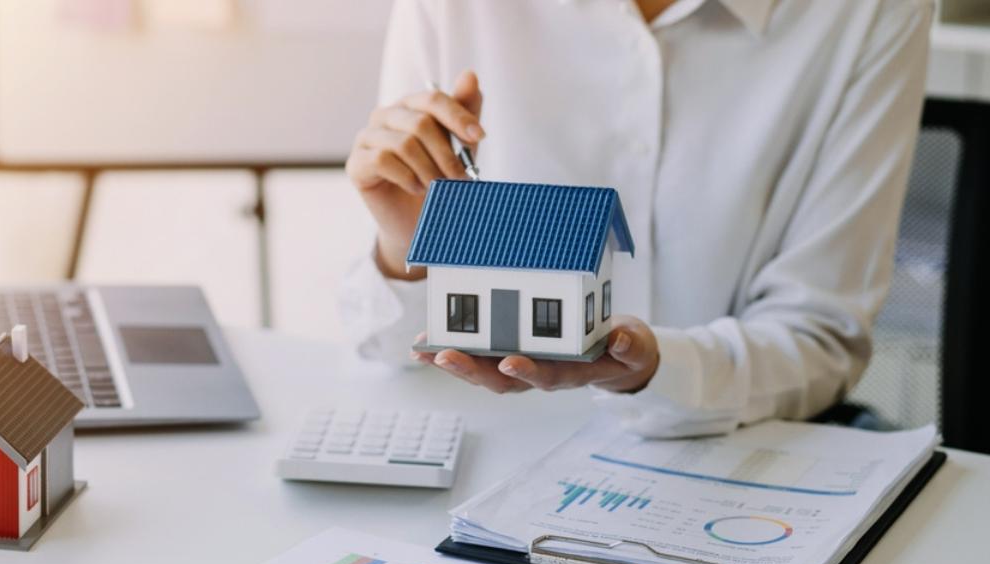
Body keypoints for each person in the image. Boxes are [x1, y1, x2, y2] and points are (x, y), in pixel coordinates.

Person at [337, 0, 933, 436]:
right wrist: (409, 248)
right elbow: (390, 346)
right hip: (495, 446)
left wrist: (653, 371)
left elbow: (820, 340)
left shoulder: (869, 11)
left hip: (732, 455)